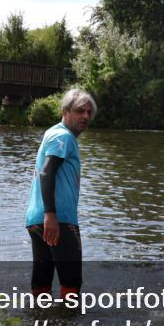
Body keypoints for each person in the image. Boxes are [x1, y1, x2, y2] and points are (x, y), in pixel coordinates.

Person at [24, 88, 96, 299]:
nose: (85, 116)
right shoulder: (63, 137)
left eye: (89, 112)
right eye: (80, 111)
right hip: (58, 220)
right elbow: (46, 172)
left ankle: (39, 323)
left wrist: (47, 215)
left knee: (41, 280)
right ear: (65, 112)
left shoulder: (52, 132)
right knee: (72, 283)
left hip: (36, 220)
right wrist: (51, 215)